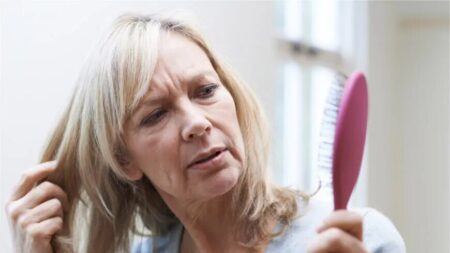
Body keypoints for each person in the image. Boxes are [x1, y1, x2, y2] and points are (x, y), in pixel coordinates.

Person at [5, 12, 406, 253]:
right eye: (156, 115)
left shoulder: (362, 239)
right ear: (125, 160)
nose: (197, 123)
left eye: (206, 91)